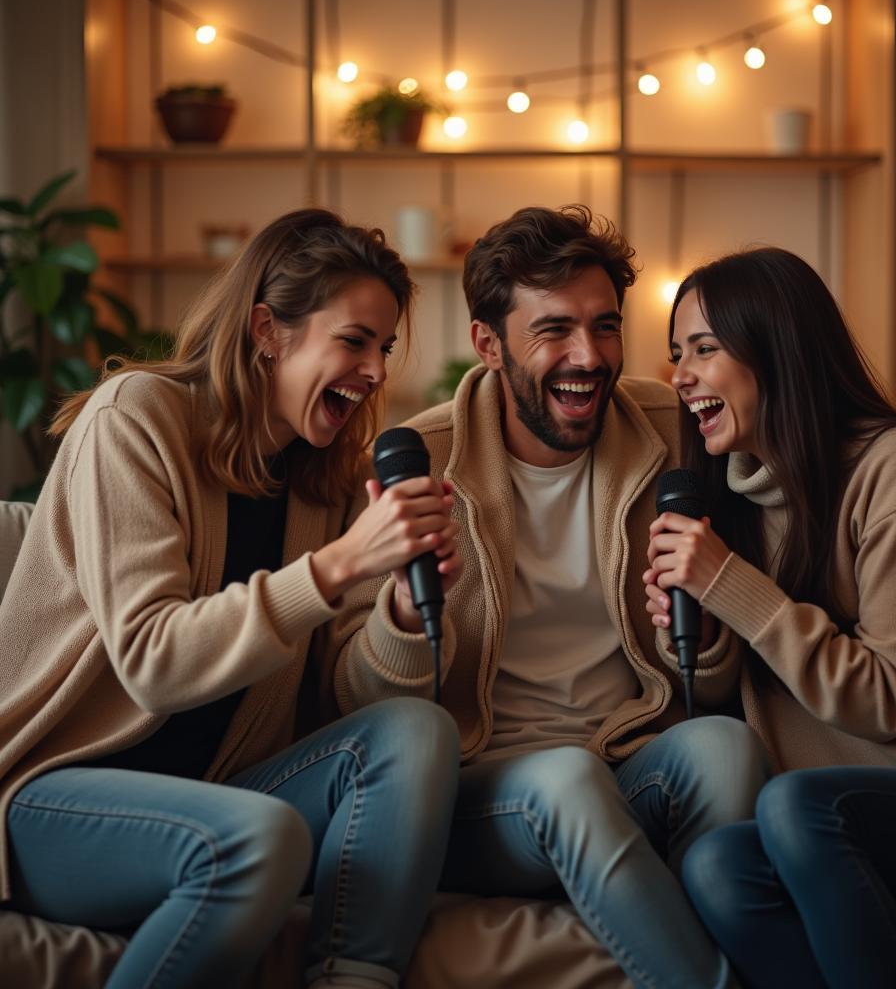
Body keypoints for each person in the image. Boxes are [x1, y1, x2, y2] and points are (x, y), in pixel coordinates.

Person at [0, 208, 464, 989]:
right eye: (354, 341)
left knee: (416, 731)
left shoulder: (322, 482)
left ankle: (353, 977)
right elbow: (154, 662)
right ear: (267, 330)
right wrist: (338, 566)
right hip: (47, 800)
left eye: (384, 348)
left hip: (214, 795)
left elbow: (340, 703)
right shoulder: (135, 421)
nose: (378, 372)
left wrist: (404, 616)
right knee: (259, 839)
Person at [335, 204, 771, 989]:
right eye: (554, 330)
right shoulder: (414, 463)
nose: (588, 356)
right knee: (563, 778)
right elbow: (356, 705)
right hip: (482, 795)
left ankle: (688, 926)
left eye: (606, 327)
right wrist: (401, 615)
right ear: (487, 343)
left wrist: (701, 635)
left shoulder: (674, 432)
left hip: (628, 764)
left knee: (729, 749)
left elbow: (713, 689)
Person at [643, 246, 896, 989]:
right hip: (837, 811)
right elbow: (730, 696)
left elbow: (881, 701)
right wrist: (705, 624)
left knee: (793, 807)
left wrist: (731, 583)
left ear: (777, 349)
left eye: (704, 349)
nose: (680, 376)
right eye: (675, 354)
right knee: (716, 865)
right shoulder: (732, 497)